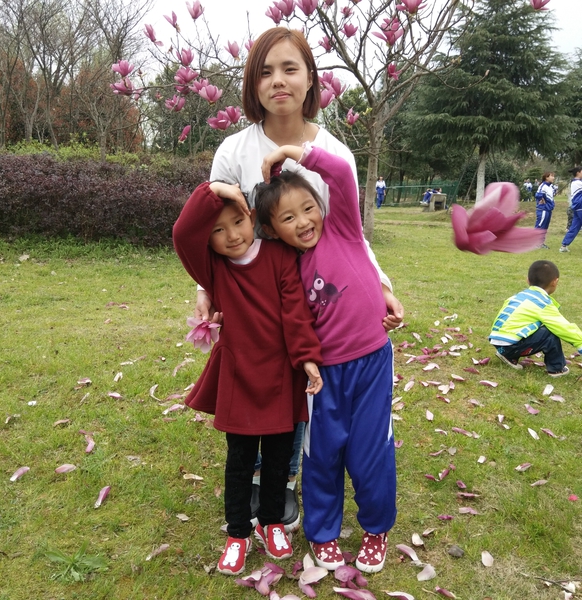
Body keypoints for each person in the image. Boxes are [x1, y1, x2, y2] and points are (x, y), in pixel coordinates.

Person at [195, 27, 404, 535]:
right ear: (253, 84)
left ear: (311, 78)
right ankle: (256, 476)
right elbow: (212, 228)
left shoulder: (334, 152)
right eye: (265, 72)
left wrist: (380, 284)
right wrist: (205, 289)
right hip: (251, 296)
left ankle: (283, 477)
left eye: (290, 69)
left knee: (298, 381)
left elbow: (351, 233)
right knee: (255, 376)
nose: (278, 81)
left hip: (313, 294)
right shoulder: (233, 151)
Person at [255, 143, 397, 574]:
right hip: (324, 376)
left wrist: (293, 152)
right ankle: (322, 533)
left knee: (372, 450)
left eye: (308, 208)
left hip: (372, 363)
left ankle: (376, 529)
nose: (303, 222)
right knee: (323, 453)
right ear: (272, 230)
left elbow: (340, 172)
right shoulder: (285, 268)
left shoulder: (344, 229)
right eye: (288, 218)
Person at [173, 181, 324, 576]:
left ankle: (271, 522)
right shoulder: (214, 267)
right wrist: (214, 189)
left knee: (277, 460)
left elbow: (295, 313)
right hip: (239, 378)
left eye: (238, 222)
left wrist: (307, 358)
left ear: (252, 218)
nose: (232, 235)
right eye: (218, 230)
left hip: (281, 376)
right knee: (239, 462)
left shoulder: (279, 255)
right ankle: (238, 532)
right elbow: (182, 233)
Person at [489, 260, 582, 378]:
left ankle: (508, 356)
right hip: (511, 345)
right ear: (555, 282)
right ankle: (557, 369)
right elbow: (564, 328)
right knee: (550, 331)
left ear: (528, 280)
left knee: (529, 329)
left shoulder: (517, 297)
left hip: (497, 341)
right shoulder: (542, 304)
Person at [534, 172, 555, 248]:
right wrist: (541, 199)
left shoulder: (550, 186)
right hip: (543, 209)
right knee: (540, 225)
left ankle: (541, 243)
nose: (553, 178)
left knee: (545, 227)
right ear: (546, 177)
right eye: (551, 176)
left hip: (548, 209)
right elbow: (538, 195)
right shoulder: (543, 185)